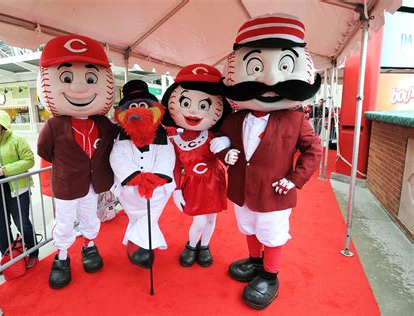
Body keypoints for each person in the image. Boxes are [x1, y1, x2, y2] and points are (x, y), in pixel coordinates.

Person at [212, 14, 322, 309]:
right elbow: (220, 139)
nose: (270, 81)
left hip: (275, 192)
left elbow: (314, 151)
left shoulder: (296, 119)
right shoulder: (235, 119)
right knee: (248, 227)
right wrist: (225, 152)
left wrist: (295, 179)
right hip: (242, 189)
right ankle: (254, 261)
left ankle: (270, 276)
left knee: (272, 234)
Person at [37, 34, 118, 289]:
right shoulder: (53, 125)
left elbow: (117, 140)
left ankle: (90, 246)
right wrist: (69, 166)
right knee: (63, 222)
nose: (80, 88)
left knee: (89, 217)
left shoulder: (104, 123)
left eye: (90, 79)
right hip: (67, 185)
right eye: (68, 79)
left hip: (92, 184)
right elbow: (45, 150)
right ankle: (61, 257)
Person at [161, 64, 231, 267]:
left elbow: (231, 145)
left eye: (203, 106)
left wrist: (225, 142)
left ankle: (205, 246)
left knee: (211, 220)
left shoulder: (213, 136)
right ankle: (191, 245)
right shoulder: (174, 139)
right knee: (198, 221)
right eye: (186, 103)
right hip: (193, 182)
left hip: (214, 179)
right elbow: (174, 166)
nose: (193, 111)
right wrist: (176, 189)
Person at [110, 80, 175, 269]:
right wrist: (136, 178)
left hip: (157, 190)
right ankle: (143, 246)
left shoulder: (161, 135)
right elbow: (118, 157)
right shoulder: (122, 136)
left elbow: (166, 156)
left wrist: (156, 178)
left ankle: (136, 245)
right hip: (131, 190)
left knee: (149, 215)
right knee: (138, 216)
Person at [0, 110, 39, 270]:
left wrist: (4, 170)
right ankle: (9, 258)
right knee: (0, 227)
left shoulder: (17, 139)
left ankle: (33, 253)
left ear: (2, 122)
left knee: (22, 223)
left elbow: (29, 160)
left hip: (16, 190)